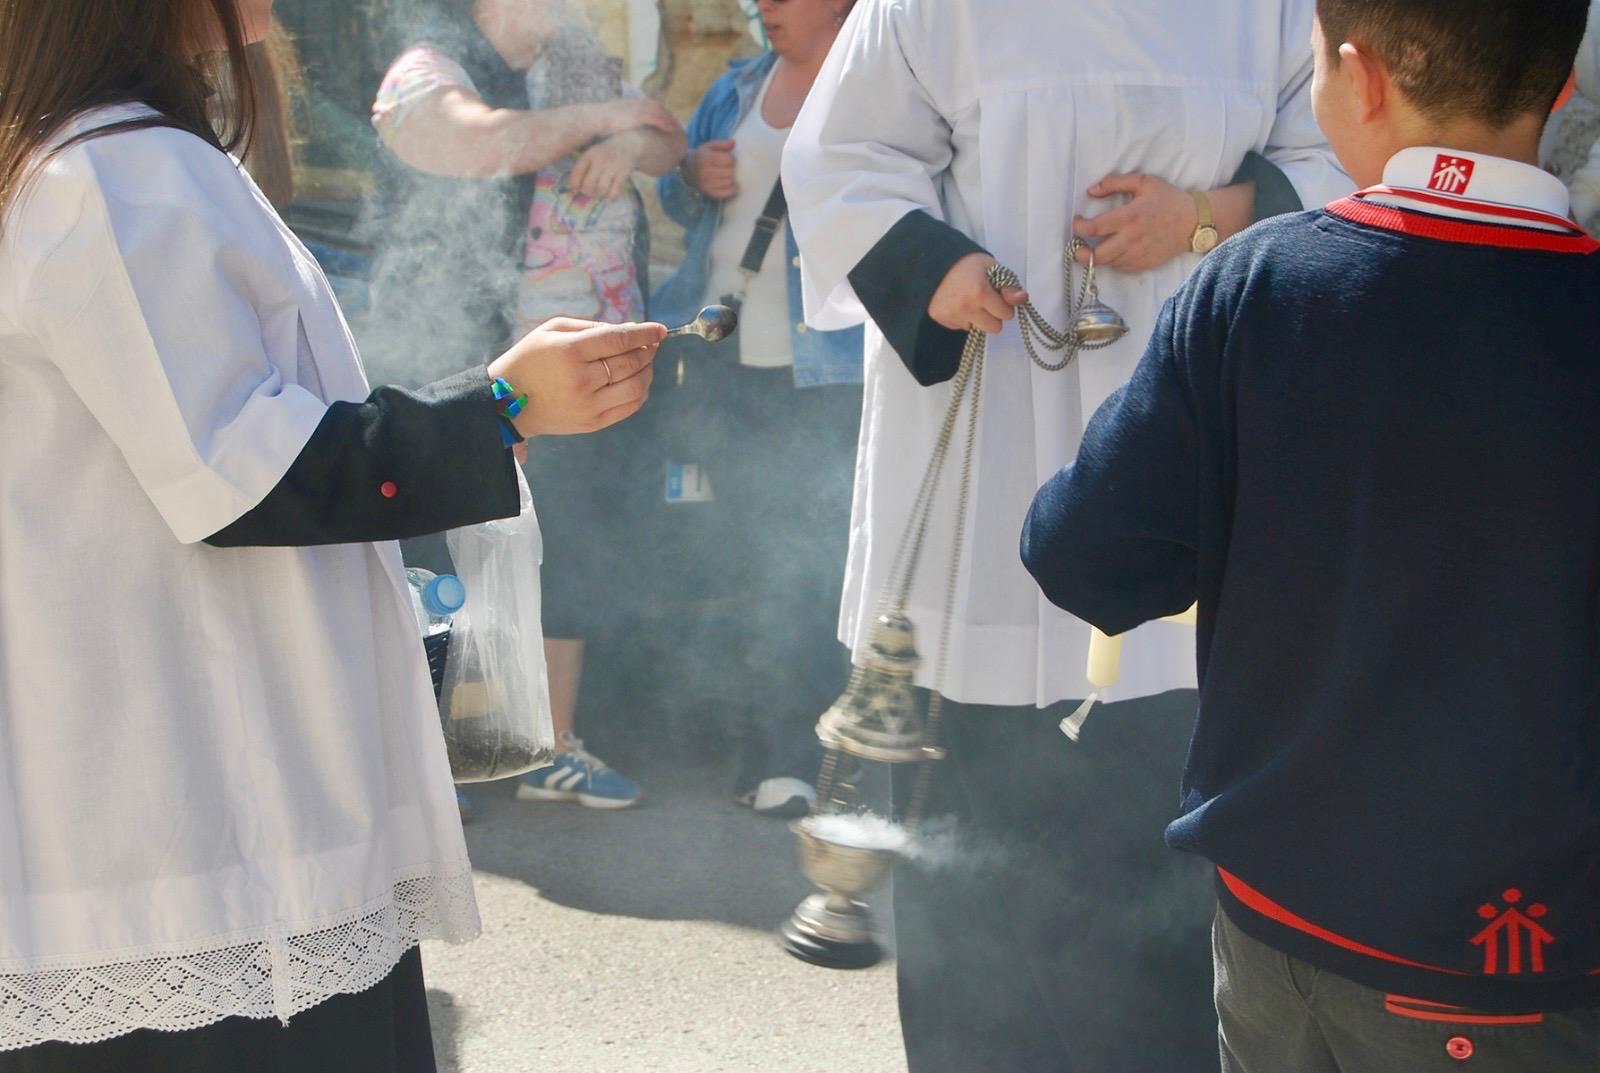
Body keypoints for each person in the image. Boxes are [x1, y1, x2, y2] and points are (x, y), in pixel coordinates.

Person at [0, 0, 664, 1068]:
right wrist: (498, 407)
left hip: (217, 787)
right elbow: (244, 478)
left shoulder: (126, 162)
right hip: (192, 820)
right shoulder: (111, 176)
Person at [1022, 1, 1600, 1070]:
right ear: (1562, 85)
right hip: (1518, 948)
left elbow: (1081, 554)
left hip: (1274, 916)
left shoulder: (1254, 285)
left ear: (1359, 77)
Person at [780, 1, 1351, 1069]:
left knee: (1161, 853)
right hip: (992, 421)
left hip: (1188, 425)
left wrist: (1211, 213)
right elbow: (844, 150)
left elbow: (1346, 145)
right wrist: (934, 266)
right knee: (974, 851)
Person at [371, 0, 687, 809]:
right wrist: (609, 117)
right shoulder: (427, 67)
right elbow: (486, 142)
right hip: (471, 375)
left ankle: (548, 745)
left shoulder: (573, 64)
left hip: (580, 376)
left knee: (573, 553)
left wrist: (625, 141)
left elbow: (667, 136)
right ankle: (419, 757)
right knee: (437, 561)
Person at [650, 0, 864, 818]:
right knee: (741, 555)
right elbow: (680, 203)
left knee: (804, 564)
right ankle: (761, 744)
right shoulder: (737, 85)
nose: (763, 5)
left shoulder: (871, 85)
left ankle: (796, 756)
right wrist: (690, 175)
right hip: (722, 361)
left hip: (822, 372)